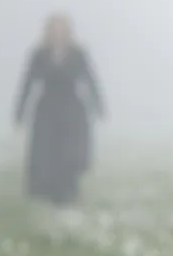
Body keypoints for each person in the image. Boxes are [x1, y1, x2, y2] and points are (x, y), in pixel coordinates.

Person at [13, 13, 105, 206]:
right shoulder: (39, 54)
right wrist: (20, 111)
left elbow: (90, 80)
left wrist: (98, 105)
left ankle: (68, 193)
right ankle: (47, 193)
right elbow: (27, 82)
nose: (58, 33)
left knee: (70, 154)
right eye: (54, 29)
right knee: (47, 155)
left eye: (61, 29)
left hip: (72, 111)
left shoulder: (78, 54)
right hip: (47, 110)